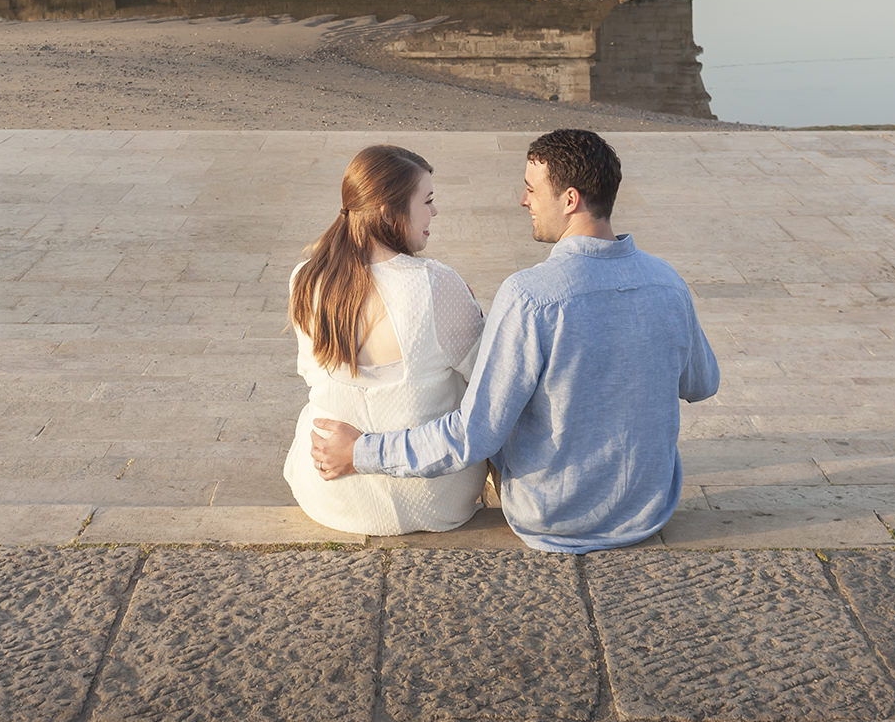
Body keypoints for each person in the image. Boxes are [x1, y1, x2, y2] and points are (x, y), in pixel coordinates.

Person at [313, 129, 720, 553]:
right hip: (647, 510)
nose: (523, 201)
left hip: (552, 516)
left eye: (531, 190)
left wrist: (362, 451)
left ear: (569, 200)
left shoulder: (529, 295)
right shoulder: (668, 283)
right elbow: (702, 384)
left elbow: (474, 436)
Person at [284, 144, 488, 535]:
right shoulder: (437, 284)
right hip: (434, 499)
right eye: (426, 201)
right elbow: (487, 379)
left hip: (328, 494)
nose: (434, 212)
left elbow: (311, 373)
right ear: (387, 211)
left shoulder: (305, 279)